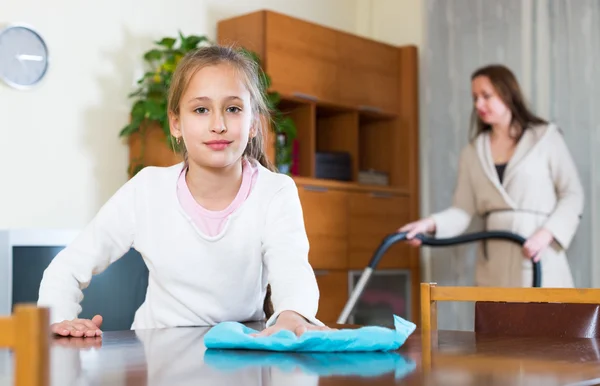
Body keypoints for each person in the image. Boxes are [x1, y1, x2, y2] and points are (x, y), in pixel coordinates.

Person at [38, 45, 327, 338]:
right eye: (201, 109)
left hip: (240, 353)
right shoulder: (147, 189)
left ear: (253, 123)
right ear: (176, 123)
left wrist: (293, 315)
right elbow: (67, 268)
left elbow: (292, 270)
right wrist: (60, 318)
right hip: (155, 356)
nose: (219, 125)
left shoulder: (276, 192)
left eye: (234, 109)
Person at [399, 64, 584, 288]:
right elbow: (462, 210)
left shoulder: (545, 139)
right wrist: (429, 225)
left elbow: (572, 195)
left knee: (544, 320)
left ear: (507, 93)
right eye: (475, 98)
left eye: (486, 96)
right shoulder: (472, 153)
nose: (478, 104)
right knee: (496, 320)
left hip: (538, 254)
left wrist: (546, 234)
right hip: (493, 263)